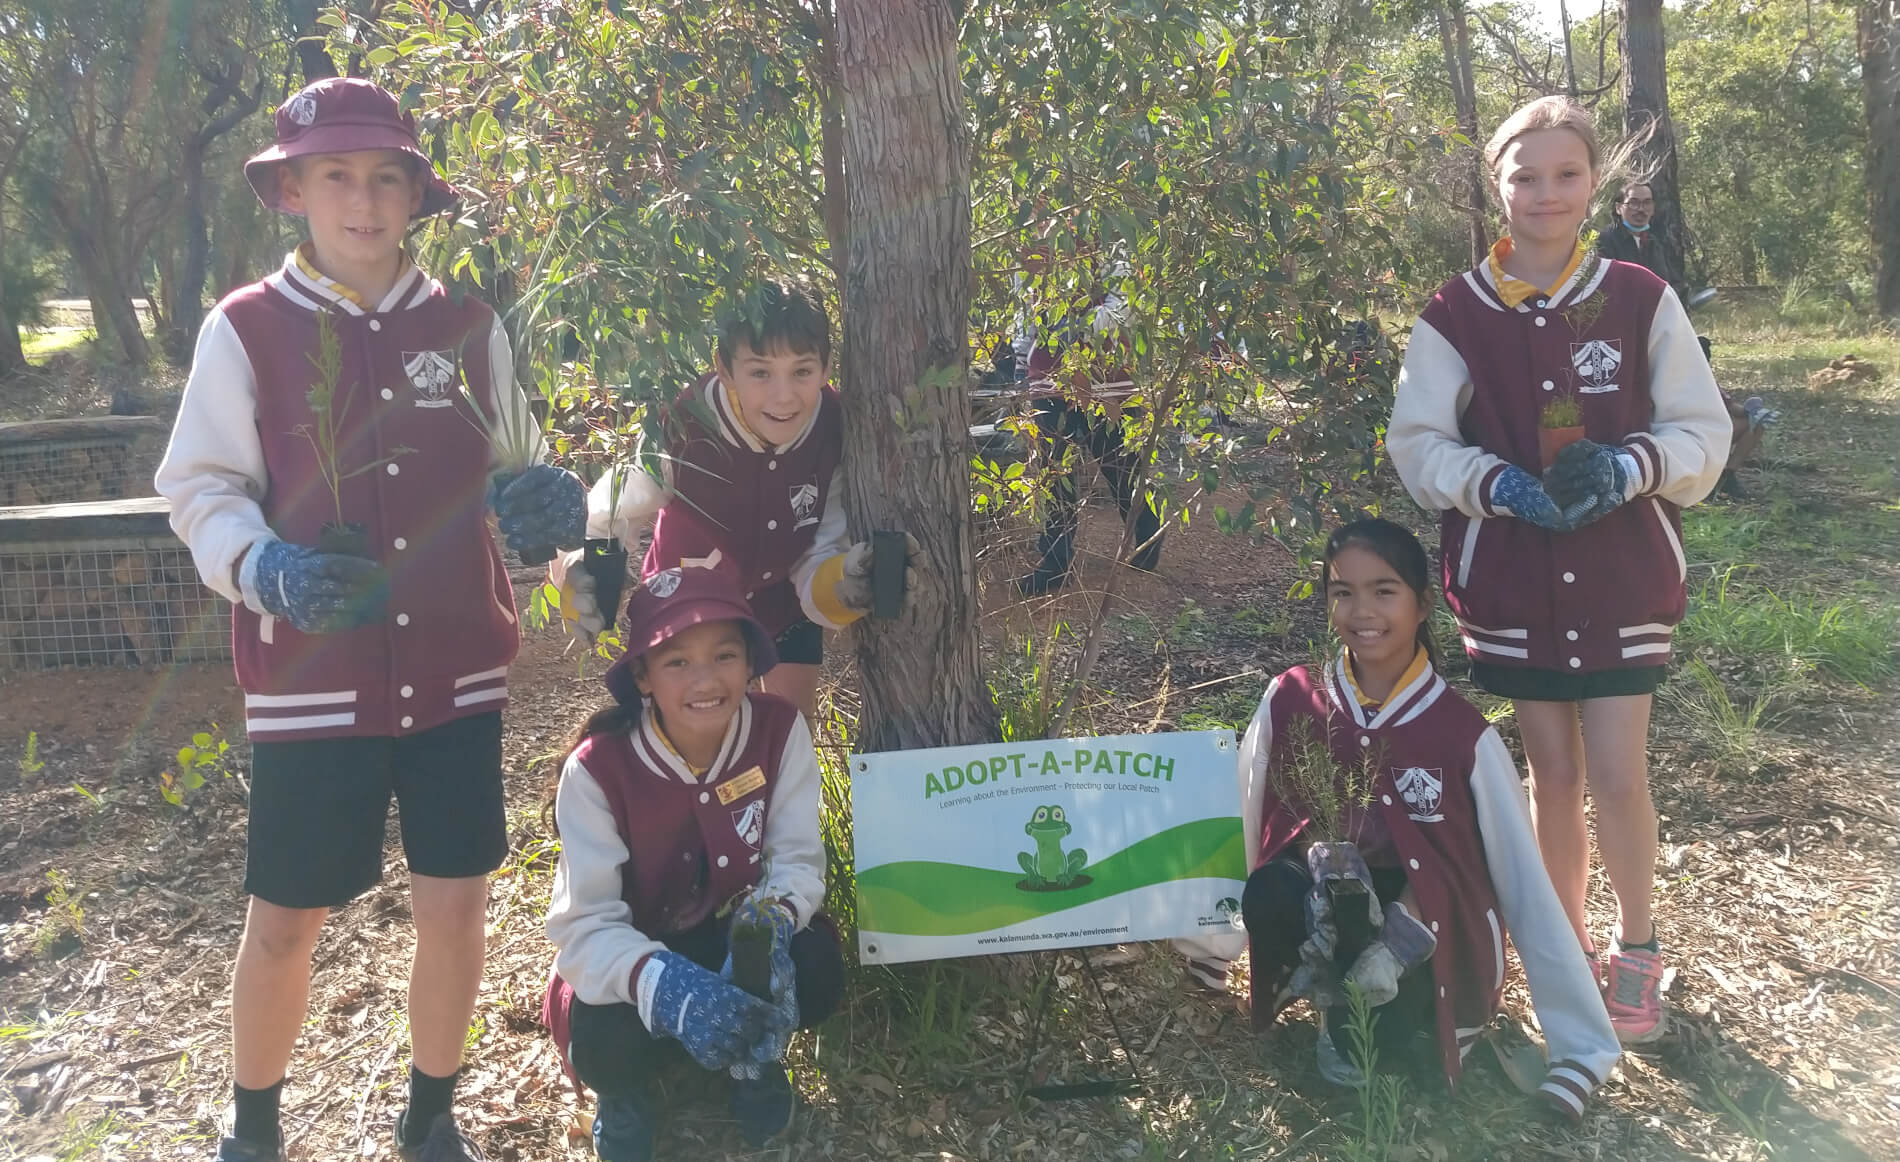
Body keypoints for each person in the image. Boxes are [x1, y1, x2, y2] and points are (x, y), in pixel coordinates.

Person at [155, 78, 588, 1161]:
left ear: (414, 193)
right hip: (313, 680)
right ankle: (253, 1124)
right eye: (337, 175)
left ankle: (430, 1111)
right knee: (285, 919)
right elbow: (200, 489)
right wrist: (268, 570)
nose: (363, 199)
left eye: (386, 175)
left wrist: (544, 507)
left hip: (455, 673)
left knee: (454, 909)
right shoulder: (244, 330)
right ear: (291, 188)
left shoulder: (468, 327)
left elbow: (517, 479)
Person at [1388, 95, 1729, 1045]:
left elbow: (1703, 431)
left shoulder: (1638, 297)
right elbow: (1416, 444)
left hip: (1621, 577)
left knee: (1619, 773)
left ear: (1595, 182)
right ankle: (1563, 947)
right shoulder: (1455, 311)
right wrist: (1493, 481)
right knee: (1551, 771)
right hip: (1513, 583)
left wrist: (1630, 466)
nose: (1546, 193)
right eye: (1524, 176)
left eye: (1566, 174)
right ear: (1496, 184)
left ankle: (1638, 949)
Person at [1219, 520, 1618, 1117]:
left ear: (1423, 602)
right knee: (1282, 884)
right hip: (1325, 914)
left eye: (1384, 590)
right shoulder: (1292, 699)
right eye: (1342, 591)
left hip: (1423, 940)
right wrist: (1210, 947)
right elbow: (1245, 822)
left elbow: (1525, 888)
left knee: (1387, 1051)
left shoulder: (1461, 736)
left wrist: (1580, 1049)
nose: (1362, 611)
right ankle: (1334, 1000)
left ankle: (1383, 1007)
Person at [542, 561, 844, 1161]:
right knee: (599, 1033)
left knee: (816, 967)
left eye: (725, 655)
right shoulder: (598, 769)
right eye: (677, 661)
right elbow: (584, 928)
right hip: (638, 953)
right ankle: (626, 1095)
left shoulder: (778, 730)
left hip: (731, 937)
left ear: (752, 663)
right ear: (644, 676)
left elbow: (797, 860)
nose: (706, 679)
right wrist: (666, 986)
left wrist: (774, 923)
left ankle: (751, 1061)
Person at [554, 280, 919, 719]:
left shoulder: (833, 428)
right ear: (725, 370)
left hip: (783, 599)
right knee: (694, 728)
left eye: (802, 371)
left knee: (790, 729)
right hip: (688, 600)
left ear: (825, 369)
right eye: (760, 372)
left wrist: (844, 586)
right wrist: (591, 564)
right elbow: (621, 498)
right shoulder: (690, 424)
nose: (783, 396)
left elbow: (820, 544)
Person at [1012, 265, 1165, 595]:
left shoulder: (1112, 244)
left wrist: (1068, 330)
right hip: (1048, 384)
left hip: (1106, 381)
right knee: (1054, 474)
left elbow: (1123, 308)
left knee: (1120, 467)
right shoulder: (1034, 250)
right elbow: (1028, 315)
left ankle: (1148, 530)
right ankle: (1055, 562)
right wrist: (1021, 364)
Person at [1594, 182, 1684, 294]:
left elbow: (1672, 284)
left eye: (1647, 203)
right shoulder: (1604, 241)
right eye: (1633, 203)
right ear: (1618, 208)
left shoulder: (1655, 243)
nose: (1641, 209)